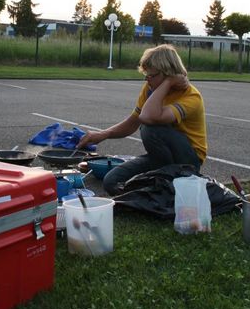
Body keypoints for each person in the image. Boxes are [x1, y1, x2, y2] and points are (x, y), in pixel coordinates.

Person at [77, 44, 207, 195]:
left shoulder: (191, 96)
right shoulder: (150, 89)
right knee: (111, 181)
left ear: (168, 73)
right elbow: (133, 121)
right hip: (160, 159)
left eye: (151, 75)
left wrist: (168, 83)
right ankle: (159, 186)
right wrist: (103, 134)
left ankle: (164, 182)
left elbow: (147, 118)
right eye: (146, 75)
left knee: (150, 129)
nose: (147, 79)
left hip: (188, 161)